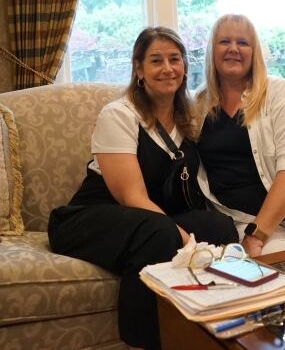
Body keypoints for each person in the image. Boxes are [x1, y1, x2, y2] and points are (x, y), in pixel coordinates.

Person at [48, 26, 238, 350]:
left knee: (218, 226)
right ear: (139, 69)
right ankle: (143, 342)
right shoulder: (119, 115)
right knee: (160, 233)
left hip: (151, 220)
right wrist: (186, 242)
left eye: (175, 59)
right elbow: (131, 197)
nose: (167, 68)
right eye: (156, 60)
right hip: (92, 217)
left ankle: (215, 332)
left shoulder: (188, 116)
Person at [195, 14, 285, 257]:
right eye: (225, 42)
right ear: (212, 50)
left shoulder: (279, 93)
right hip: (242, 217)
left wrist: (257, 234)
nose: (234, 49)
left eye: (243, 42)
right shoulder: (197, 106)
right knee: (277, 274)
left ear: (255, 52)